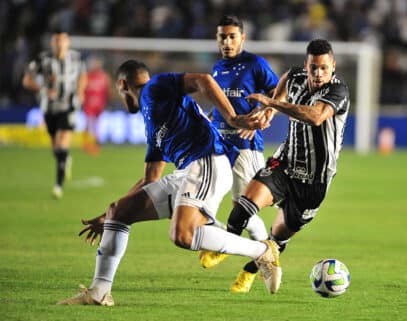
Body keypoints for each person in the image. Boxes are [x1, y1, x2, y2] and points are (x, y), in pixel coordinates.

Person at [57, 60, 282, 306]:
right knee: (119, 212)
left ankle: (262, 251)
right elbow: (150, 178)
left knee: (182, 235)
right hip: (187, 172)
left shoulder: (155, 86)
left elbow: (204, 80)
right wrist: (105, 217)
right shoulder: (151, 121)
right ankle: (99, 292)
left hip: (208, 161)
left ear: (122, 84)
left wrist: (234, 118)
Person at [204, 39, 350, 293]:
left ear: (333, 66)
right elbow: (281, 88)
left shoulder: (338, 91)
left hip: (314, 182)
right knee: (244, 205)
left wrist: (272, 104)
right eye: (313, 67)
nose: (318, 73)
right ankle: (223, 246)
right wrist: (267, 112)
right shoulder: (294, 76)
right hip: (285, 162)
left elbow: (316, 117)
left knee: (277, 237)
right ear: (305, 65)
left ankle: (249, 273)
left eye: (324, 68)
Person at [199, 15, 279, 269]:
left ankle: (264, 257)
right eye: (223, 36)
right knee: (203, 198)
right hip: (219, 145)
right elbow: (222, 105)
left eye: (232, 36)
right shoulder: (216, 68)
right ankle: (224, 241)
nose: (227, 41)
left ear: (242, 38)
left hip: (245, 145)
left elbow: (278, 91)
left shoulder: (255, 64)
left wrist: (266, 112)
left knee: (242, 207)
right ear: (217, 38)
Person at [22, 30, 87, 199]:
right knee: (56, 148)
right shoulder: (42, 59)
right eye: (56, 41)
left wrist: (80, 91)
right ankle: (65, 160)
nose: (59, 44)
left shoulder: (76, 58)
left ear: (67, 42)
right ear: (52, 43)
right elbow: (27, 80)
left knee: (62, 142)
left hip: (69, 106)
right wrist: (43, 89)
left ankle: (58, 186)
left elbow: (83, 77)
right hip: (49, 108)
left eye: (62, 40)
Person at [82, 55, 112, 156]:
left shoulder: (104, 76)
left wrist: (108, 100)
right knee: (89, 124)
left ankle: (95, 145)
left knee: (97, 126)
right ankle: (86, 144)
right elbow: (82, 88)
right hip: (89, 104)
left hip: (99, 104)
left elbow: (108, 90)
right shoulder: (87, 76)